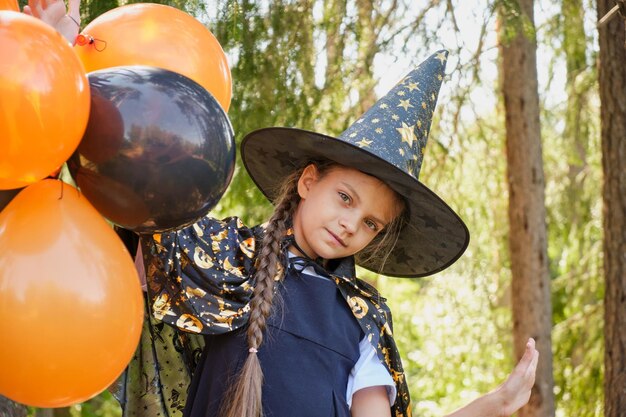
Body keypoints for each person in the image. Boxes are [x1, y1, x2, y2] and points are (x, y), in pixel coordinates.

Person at [30, 1, 538, 416]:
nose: (349, 224)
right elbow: (135, 225)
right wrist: (52, 78)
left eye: (369, 223)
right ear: (309, 181)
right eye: (345, 198)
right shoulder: (227, 256)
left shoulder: (364, 318)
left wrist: (494, 404)